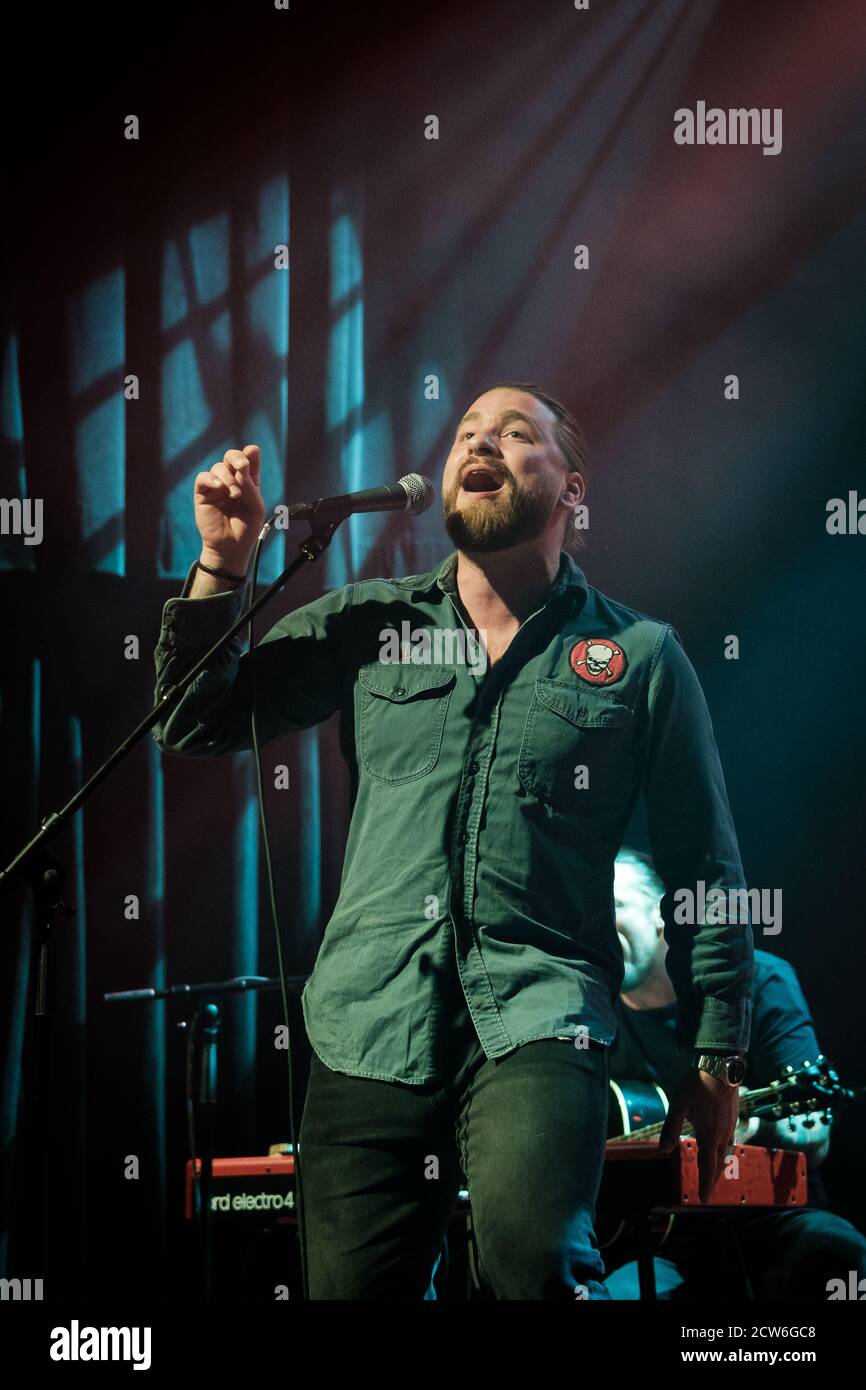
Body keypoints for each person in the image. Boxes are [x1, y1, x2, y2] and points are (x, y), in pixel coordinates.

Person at [153, 381, 754, 1299]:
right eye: (467, 430)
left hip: (539, 1016)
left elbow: (705, 865)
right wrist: (222, 568)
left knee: (533, 1267)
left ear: (573, 490)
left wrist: (716, 1057)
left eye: (515, 434)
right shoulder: (372, 623)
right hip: (367, 1021)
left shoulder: (638, 656)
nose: (480, 443)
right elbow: (192, 721)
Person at [605, 848, 866, 1300]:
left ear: (664, 915)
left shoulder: (760, 982)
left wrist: (753, 1122)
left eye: (614, 906)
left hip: (770, 1215)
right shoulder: (592, 1015)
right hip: (658, 1237)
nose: (598, 923)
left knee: (839, 1256)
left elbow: (815, 1135)